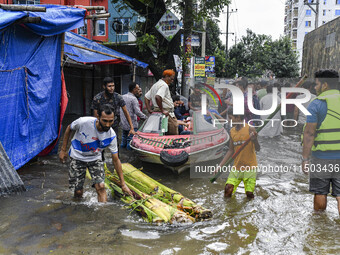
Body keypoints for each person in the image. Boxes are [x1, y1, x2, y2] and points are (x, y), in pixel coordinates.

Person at [59, 104, 132, 202]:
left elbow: (116, 160)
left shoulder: (112, 136)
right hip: (77, 157)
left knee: (101, 187)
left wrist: (123, 184)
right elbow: (69, 128)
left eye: (111, 121)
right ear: (98, 117)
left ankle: (102, 213)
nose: (107, 125)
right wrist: (63, 150)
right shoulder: (83, 122)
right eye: (104, 121)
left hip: (95, 159)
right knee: (78, 192)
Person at [302, 69, 340, 214]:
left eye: (317, 84)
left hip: (321, 158)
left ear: (325, 85)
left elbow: (309, 133)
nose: (315, 87)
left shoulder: (316, 104)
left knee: (320, 192)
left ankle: (319, 229)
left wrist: (305, 159)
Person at [219, 107, 261, 198]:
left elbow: (258, 148)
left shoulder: (250, 129)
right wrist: (220, 165)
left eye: (230, 118)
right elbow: (231, 150)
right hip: (237, 167)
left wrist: (254, 140)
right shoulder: (232, 131)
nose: (229, 120)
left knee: (249, 194)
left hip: (250, 167)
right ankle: (230, 211)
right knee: (227, 190)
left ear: (238, 117)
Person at [91, 77, 135, 143]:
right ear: (104, 86)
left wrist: (132, 128)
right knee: (100, 145)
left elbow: (126, 112)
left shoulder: (118, 97)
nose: (112, 88)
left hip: (114, 125)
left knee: (115, 144)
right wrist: (97, 129)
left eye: (113, 86)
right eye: (109, 86)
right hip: (101, 126)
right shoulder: (97, 98)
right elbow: (95, 116)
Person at [145, 69, 178, 135]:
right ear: (166, 76)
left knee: (160, 134)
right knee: (173, 135)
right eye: (171, 79)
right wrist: (162, 110)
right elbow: (158, 97)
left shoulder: (156, 85)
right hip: (166, 114)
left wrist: (149, 109)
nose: (172, 81)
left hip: (157, 114)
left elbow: (146, 97)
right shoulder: (164, 85)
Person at [120, 82, 147, 150]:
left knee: (124, 140)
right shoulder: (133, 99)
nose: (138, 91)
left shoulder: (123, 96)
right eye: (138, 89)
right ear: (134, 89)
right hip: (132, 125)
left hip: (123, 124)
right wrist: (146, 118)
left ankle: (121, 155)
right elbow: (137, 112)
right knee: (131, 142)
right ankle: (130, 156)